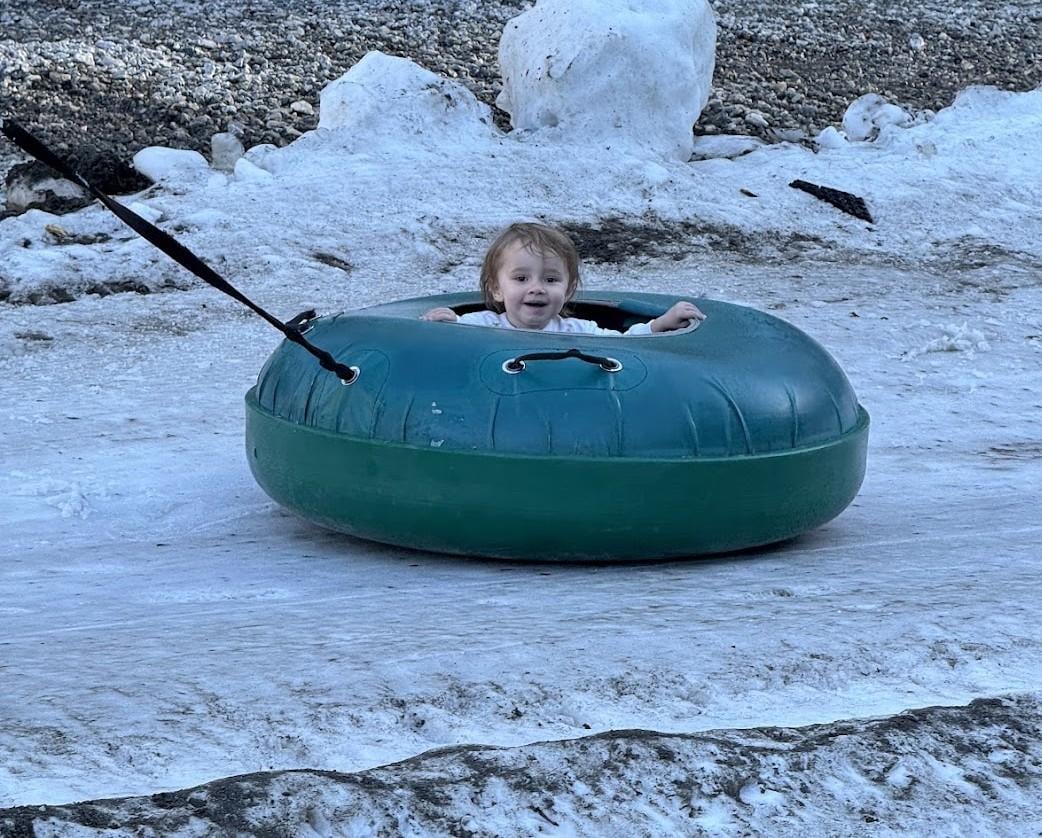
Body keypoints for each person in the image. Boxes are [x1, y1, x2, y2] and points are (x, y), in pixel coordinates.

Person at [421, 222, 705, 334]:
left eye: (551, 280)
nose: (536, 289)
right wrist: (444, 321)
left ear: (568, 290)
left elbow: (624, 341)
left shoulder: (576, 330)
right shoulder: (483, 325)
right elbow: (453, 334)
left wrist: (661, 324)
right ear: (497, 288)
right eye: (521, 279)